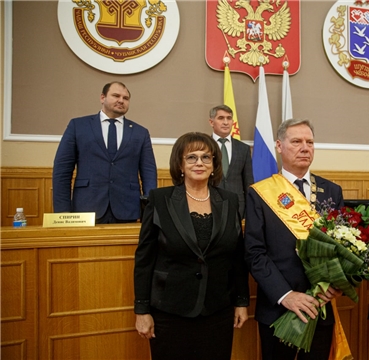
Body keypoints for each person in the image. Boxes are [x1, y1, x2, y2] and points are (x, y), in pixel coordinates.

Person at [133, 132, 249, 360]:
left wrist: (241, 302)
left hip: (218, 310)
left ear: (215, 164)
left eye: (206, 157)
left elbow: (237, 257)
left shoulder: (229, 201)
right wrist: (142, 310)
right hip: (170, 311)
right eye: (191, 157)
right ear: (180, 165)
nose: (199, 163)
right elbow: (144, 260)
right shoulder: (159, 200)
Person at [244, 119, 344, 360]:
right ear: (279, 146)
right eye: (296, 141)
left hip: (321, 305)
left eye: (310, 142)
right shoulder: (260, 192)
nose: (305, 147)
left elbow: (344, 247)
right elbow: (255, 253)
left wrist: (333, 286)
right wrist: (286, 295)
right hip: (278, 308)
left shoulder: (332, 191)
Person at [52, 81, 157, 223]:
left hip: (128, 210)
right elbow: (62, 171)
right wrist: (62, 213)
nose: (121, 100)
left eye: (125, 98)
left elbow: (149, 173)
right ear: (102, 98)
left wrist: (148, 211)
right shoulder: (78, 126)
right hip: (86, 210)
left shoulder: (140, 133)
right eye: (116, 96)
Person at [209, 105, 254, 218]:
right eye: (221, 118)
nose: (226, 122)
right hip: (210, 203)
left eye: (229, 118)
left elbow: (248, 181)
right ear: (211, 122)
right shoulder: (204, 146)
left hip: (237, 207)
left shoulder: (243, 148)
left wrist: (250, 210)